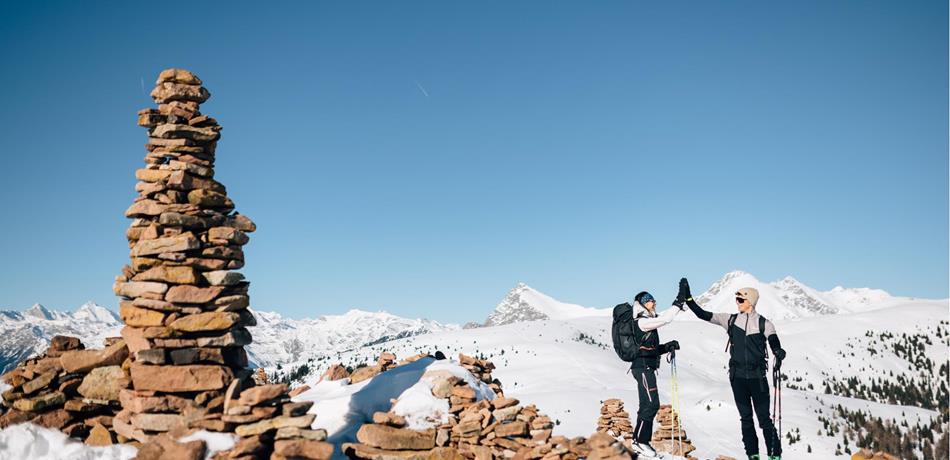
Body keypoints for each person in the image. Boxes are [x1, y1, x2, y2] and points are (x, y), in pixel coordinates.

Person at [677, 278, 786, 460]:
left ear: (750, 301)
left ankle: (775, 456)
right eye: (736, 299)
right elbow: (703, 314)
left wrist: (778, 350)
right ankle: (753, 455)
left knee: (765, 420)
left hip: (757, 378)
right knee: (746, 419)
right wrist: (689, 299)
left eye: (740, 300)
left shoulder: (764, 323)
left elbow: (773, 338)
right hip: (738, 379)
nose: (737, 302)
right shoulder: (730, 319)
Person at [612, 290, 684, 458]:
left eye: (653, 299)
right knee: (652, 404)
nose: (654, 302)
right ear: (642, 303)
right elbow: (666, 319)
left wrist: (667, 347)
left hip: (645, 367)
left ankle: (639, 441)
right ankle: (641, 442)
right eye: (650, 300)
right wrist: (678, 303)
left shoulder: (646, 321)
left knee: (646, 404)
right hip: (643, 368)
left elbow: (649, 349)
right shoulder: (641, 322)